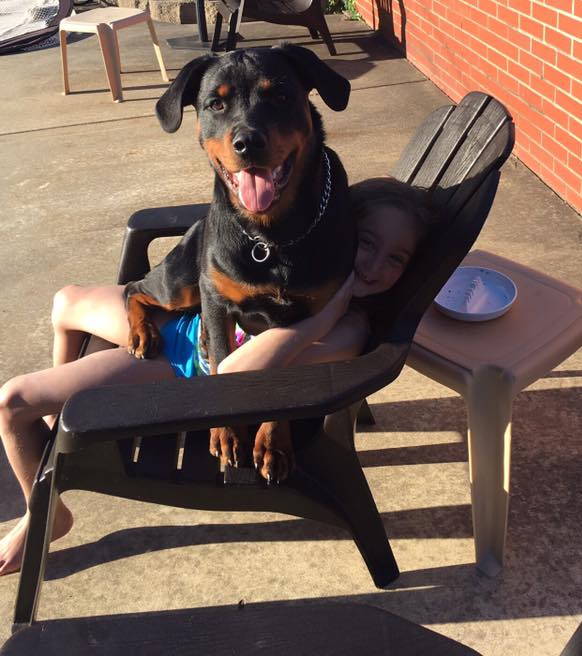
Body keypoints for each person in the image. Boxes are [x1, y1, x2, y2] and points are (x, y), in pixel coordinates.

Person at [0, 177, 433, 576]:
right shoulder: (306, 269)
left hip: (181, 369)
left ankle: (45, 513)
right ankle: (55, 452)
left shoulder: (348, 327)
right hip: (188, 324)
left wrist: (324, 319)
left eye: (395, 259)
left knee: (12, 402)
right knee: (64, 302)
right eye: (367, 243)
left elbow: (231, 372)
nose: (374, 266)